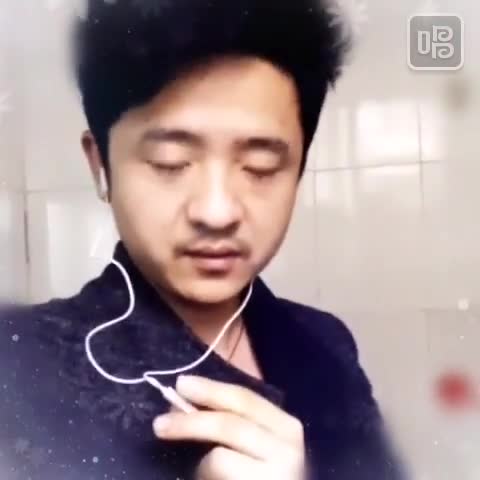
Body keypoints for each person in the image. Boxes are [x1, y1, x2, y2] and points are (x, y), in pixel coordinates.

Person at [0, 0, 406, 479]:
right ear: (100, 165)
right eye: (170, 163)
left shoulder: (326, 345)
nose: (217, 212)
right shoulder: (17, 362)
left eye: (260, 167)